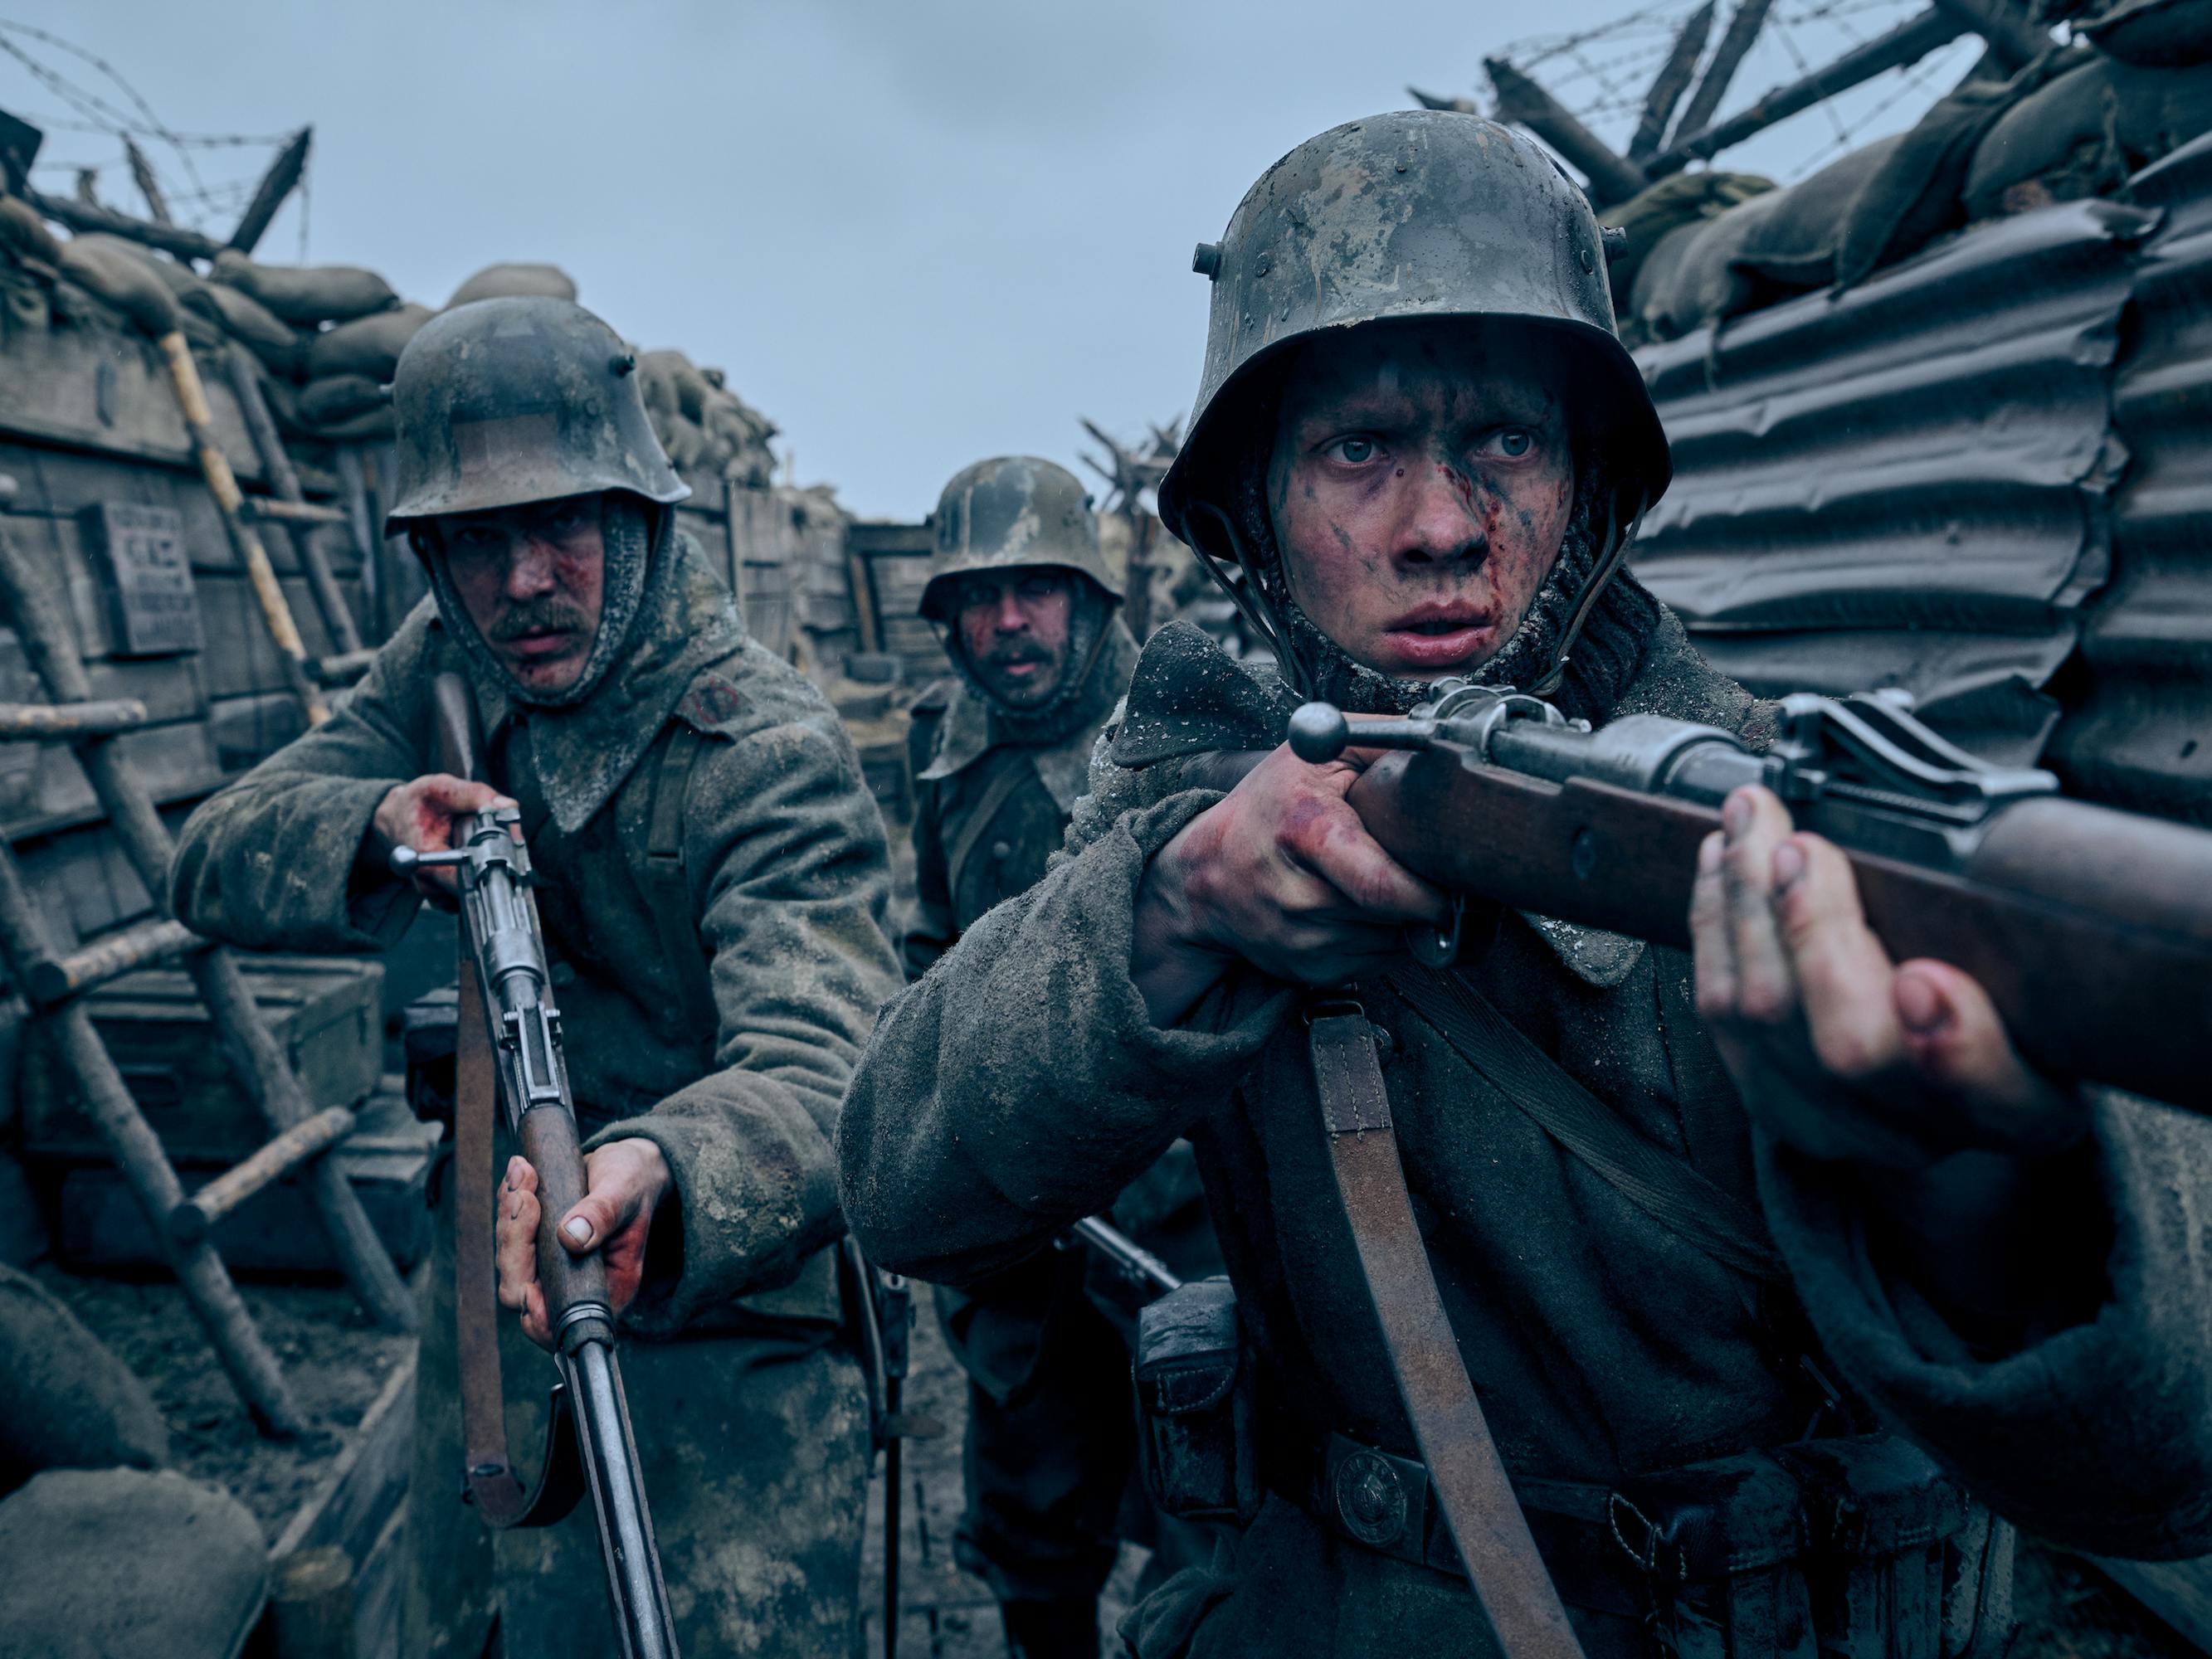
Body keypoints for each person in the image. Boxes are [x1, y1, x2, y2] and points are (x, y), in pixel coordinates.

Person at [836, 112, 2212, 1659]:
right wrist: (1171, 912)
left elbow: (2162, 1446)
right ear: (1252, 514)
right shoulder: (1190, 810)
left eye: (1503, 440)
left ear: (1587, 488)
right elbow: (903, 1183)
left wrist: (1980, 1185)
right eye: (1358, 449)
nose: (1439, 529)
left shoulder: (1762, 809)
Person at [173, 296, 902, 1659]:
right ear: (434, 559)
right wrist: (376, 825)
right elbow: (205, 858)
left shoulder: (764, 750)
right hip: (488, 1314)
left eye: (561, 525)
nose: (522, 582)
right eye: (477, 541)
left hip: (711, 1306)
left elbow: (831, 1063)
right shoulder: (441, 671)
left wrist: (658, 1170)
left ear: (637, 519)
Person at [903, 456, 1220, 1657]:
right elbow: (929, 936)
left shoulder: (1181, 728)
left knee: (1212, 1513)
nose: (1007, 625)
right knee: (1030, 1520)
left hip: (1184, 1211)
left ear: (1091, 600)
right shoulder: (943, 745)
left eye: (1036, 590)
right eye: (977, 599)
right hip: (1021, 1213)